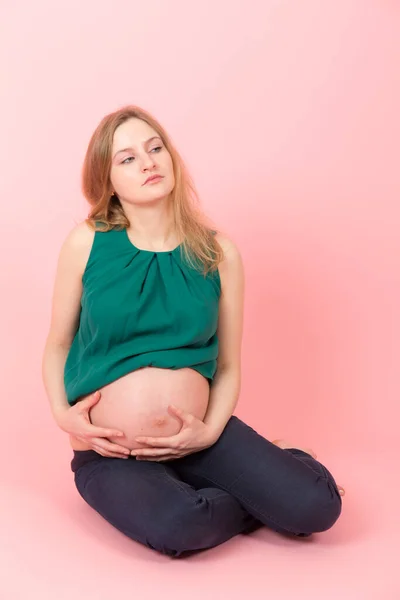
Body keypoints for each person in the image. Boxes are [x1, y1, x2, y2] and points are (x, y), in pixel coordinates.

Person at [42, 104, 345, 559]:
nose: (147, 162)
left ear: (171, 158)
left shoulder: (218, 253)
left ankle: (273, 472)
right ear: (107, 182)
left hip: (202, 439)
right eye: (127, 158)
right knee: (180, 526)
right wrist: (63, 417)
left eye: (155, 148)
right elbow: (58, 345)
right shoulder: (86, 242)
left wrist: (208, 433)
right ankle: (248, 491)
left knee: (318, 507)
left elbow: (227, 366)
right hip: (111, 453)